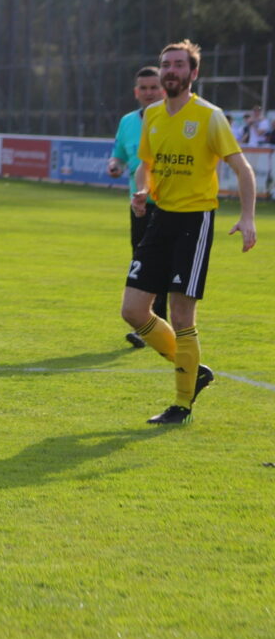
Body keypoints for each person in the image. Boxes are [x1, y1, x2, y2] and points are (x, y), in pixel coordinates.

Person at [120, 40, 257, 425]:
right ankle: (195, 371)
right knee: (132, 310)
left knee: (181, 315)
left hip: (195, 222)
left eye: (179, 65)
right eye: (166, 65)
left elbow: (243, 170)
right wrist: (142, 189)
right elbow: (144, 165)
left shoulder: (210, 117)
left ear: (193, 73)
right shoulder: (152, 115)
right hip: (160, 218)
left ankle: (182, 405)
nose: (171, 71)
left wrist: (247, 217)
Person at [107, 65, 166, 345]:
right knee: (141, 266)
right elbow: (118, 155)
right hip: (139, 205)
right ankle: (148, 326)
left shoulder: (174, 119)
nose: (149, 93)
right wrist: (114, 166)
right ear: (135, 92)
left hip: (171, 205)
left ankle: (163, 327)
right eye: (143, 88)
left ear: (164, 89)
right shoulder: (128, 122)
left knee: (165, 266)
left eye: (154, 87)